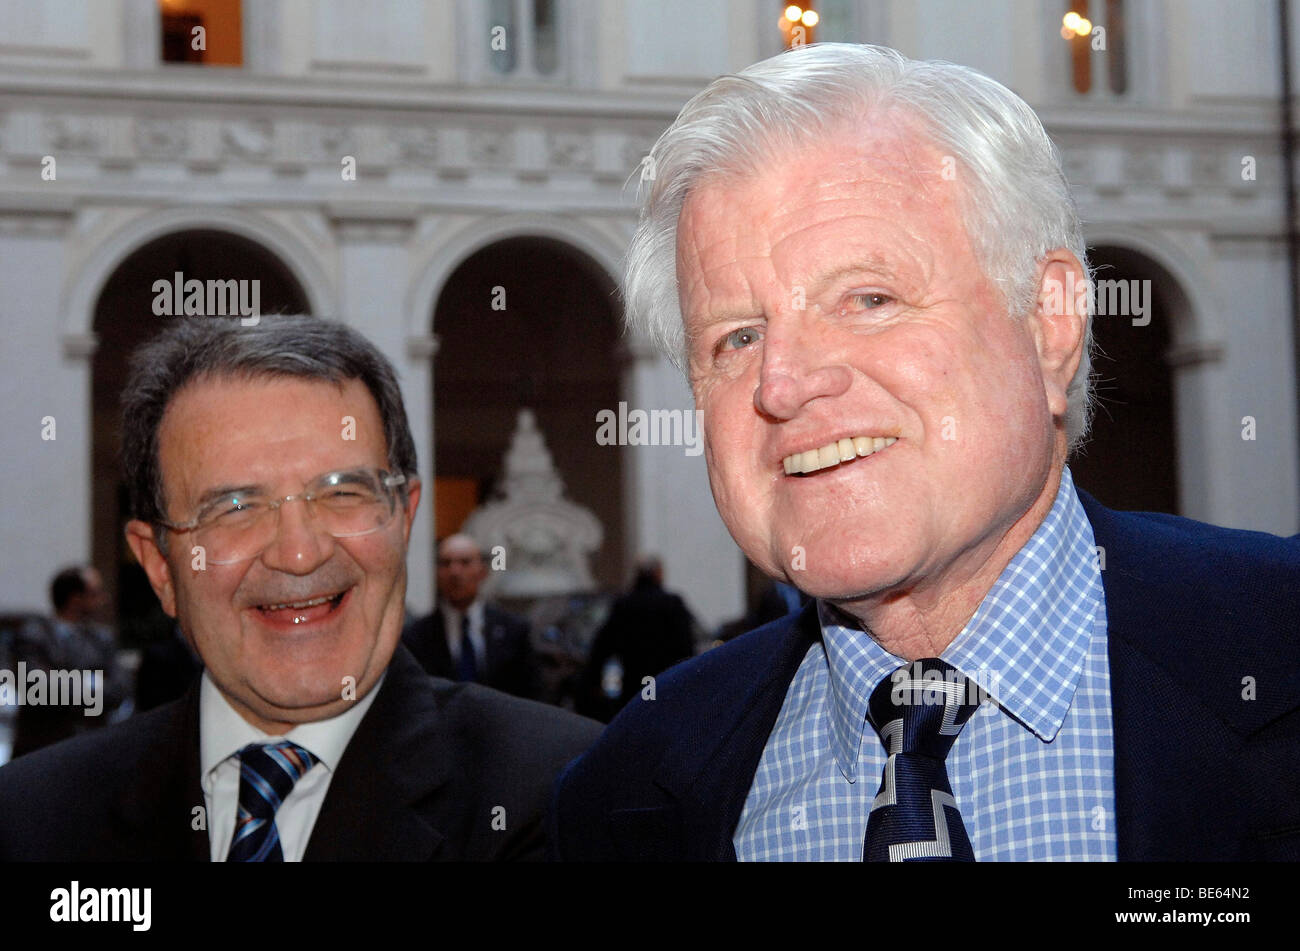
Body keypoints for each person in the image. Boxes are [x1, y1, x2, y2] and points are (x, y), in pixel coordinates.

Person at [550, 44, 1300, 862]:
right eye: (737, 337)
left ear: (1049, 326)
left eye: (868, 298)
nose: (784, 384)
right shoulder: (623, 792)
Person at [0, 315, 600, 861]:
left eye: (342, 493)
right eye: (235, 507)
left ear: (403, 517)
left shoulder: (570, 797)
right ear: (159, 565)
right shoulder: (31, 820)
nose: (299, 552)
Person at [10, 566, 129, 758]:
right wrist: (93, 683)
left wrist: (66, 683)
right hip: (43, 748)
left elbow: (120, 688)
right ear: (75, 599)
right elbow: (39, 688)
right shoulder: (34, 636)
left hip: (89, 747)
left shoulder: (101, 639)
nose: (103, 599)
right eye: (95, 593)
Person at [402, 534, 538, 699]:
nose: (455, 572)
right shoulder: (415, 636)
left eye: (465, 562)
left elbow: (532, 693)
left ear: (482, 571)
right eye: (446, 563)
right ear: (436, 572)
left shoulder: (514, 630)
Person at [577, 556, 697, 722]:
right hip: (666, 683)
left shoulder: (625, 604)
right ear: (658, 574)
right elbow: (686, 647)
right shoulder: (672, 604)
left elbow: (603, 646)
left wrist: (593, 680)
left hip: (632, 682)